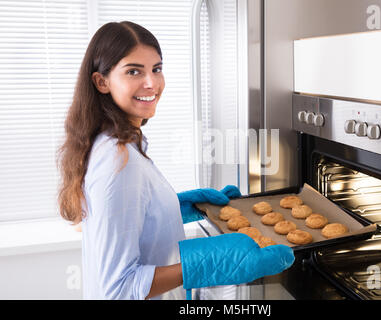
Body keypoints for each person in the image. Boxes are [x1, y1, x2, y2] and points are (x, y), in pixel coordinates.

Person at [57, 21, 294, 300]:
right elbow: (118, 291)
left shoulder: (119, 143)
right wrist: (203, 265)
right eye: (134, 71)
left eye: (156, 69)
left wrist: (169, 209)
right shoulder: (116, 161)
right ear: (102, 82)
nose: (151, 83)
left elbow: (119, 226)